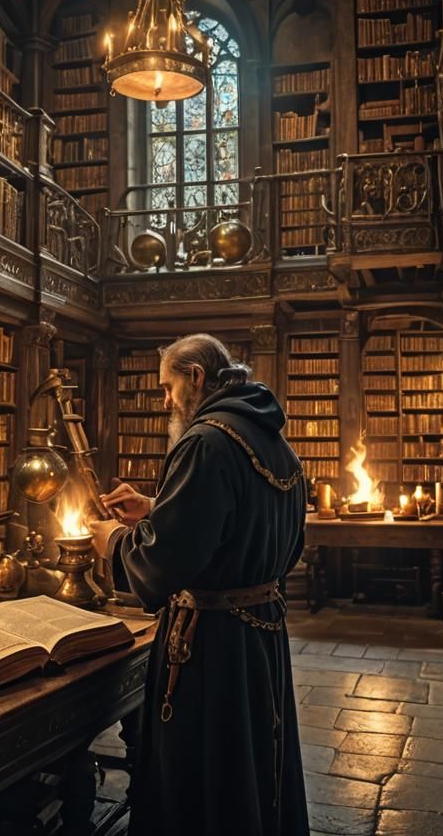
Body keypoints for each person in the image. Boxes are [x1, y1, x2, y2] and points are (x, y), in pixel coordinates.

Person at [88, 334, 309, 835]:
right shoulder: (273, 439)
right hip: (262, 634)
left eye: (167, 388)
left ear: (195, 378)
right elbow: (267, 535)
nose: (164, 401)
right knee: (255, 756)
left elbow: (165, 563)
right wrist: (155, 512)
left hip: (209, 643)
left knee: (208, 768)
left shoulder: (204, 441)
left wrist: (115, 541)